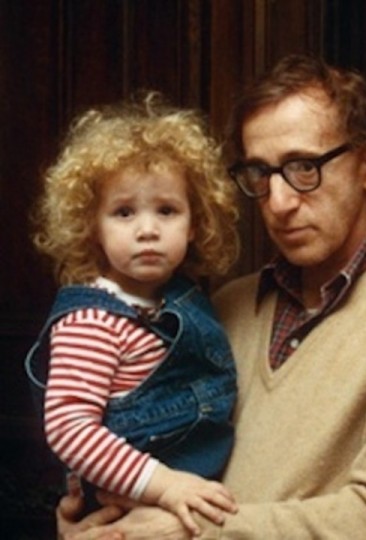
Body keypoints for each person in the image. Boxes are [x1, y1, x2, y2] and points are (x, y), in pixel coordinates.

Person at [58, 53, 366, 539]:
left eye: (304, 167)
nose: (279, 202)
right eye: (261, 173)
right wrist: (95, 524)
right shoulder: (222, 306)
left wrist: (194, 532)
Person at [25, 92, 242, 536]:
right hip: (127, 510)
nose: (147, 230)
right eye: (123, 212)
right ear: (93, 227)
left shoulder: (185, 303)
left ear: (194, 224)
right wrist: (165, 486)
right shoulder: (91, 321)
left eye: (167, 210)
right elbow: (68, 428)